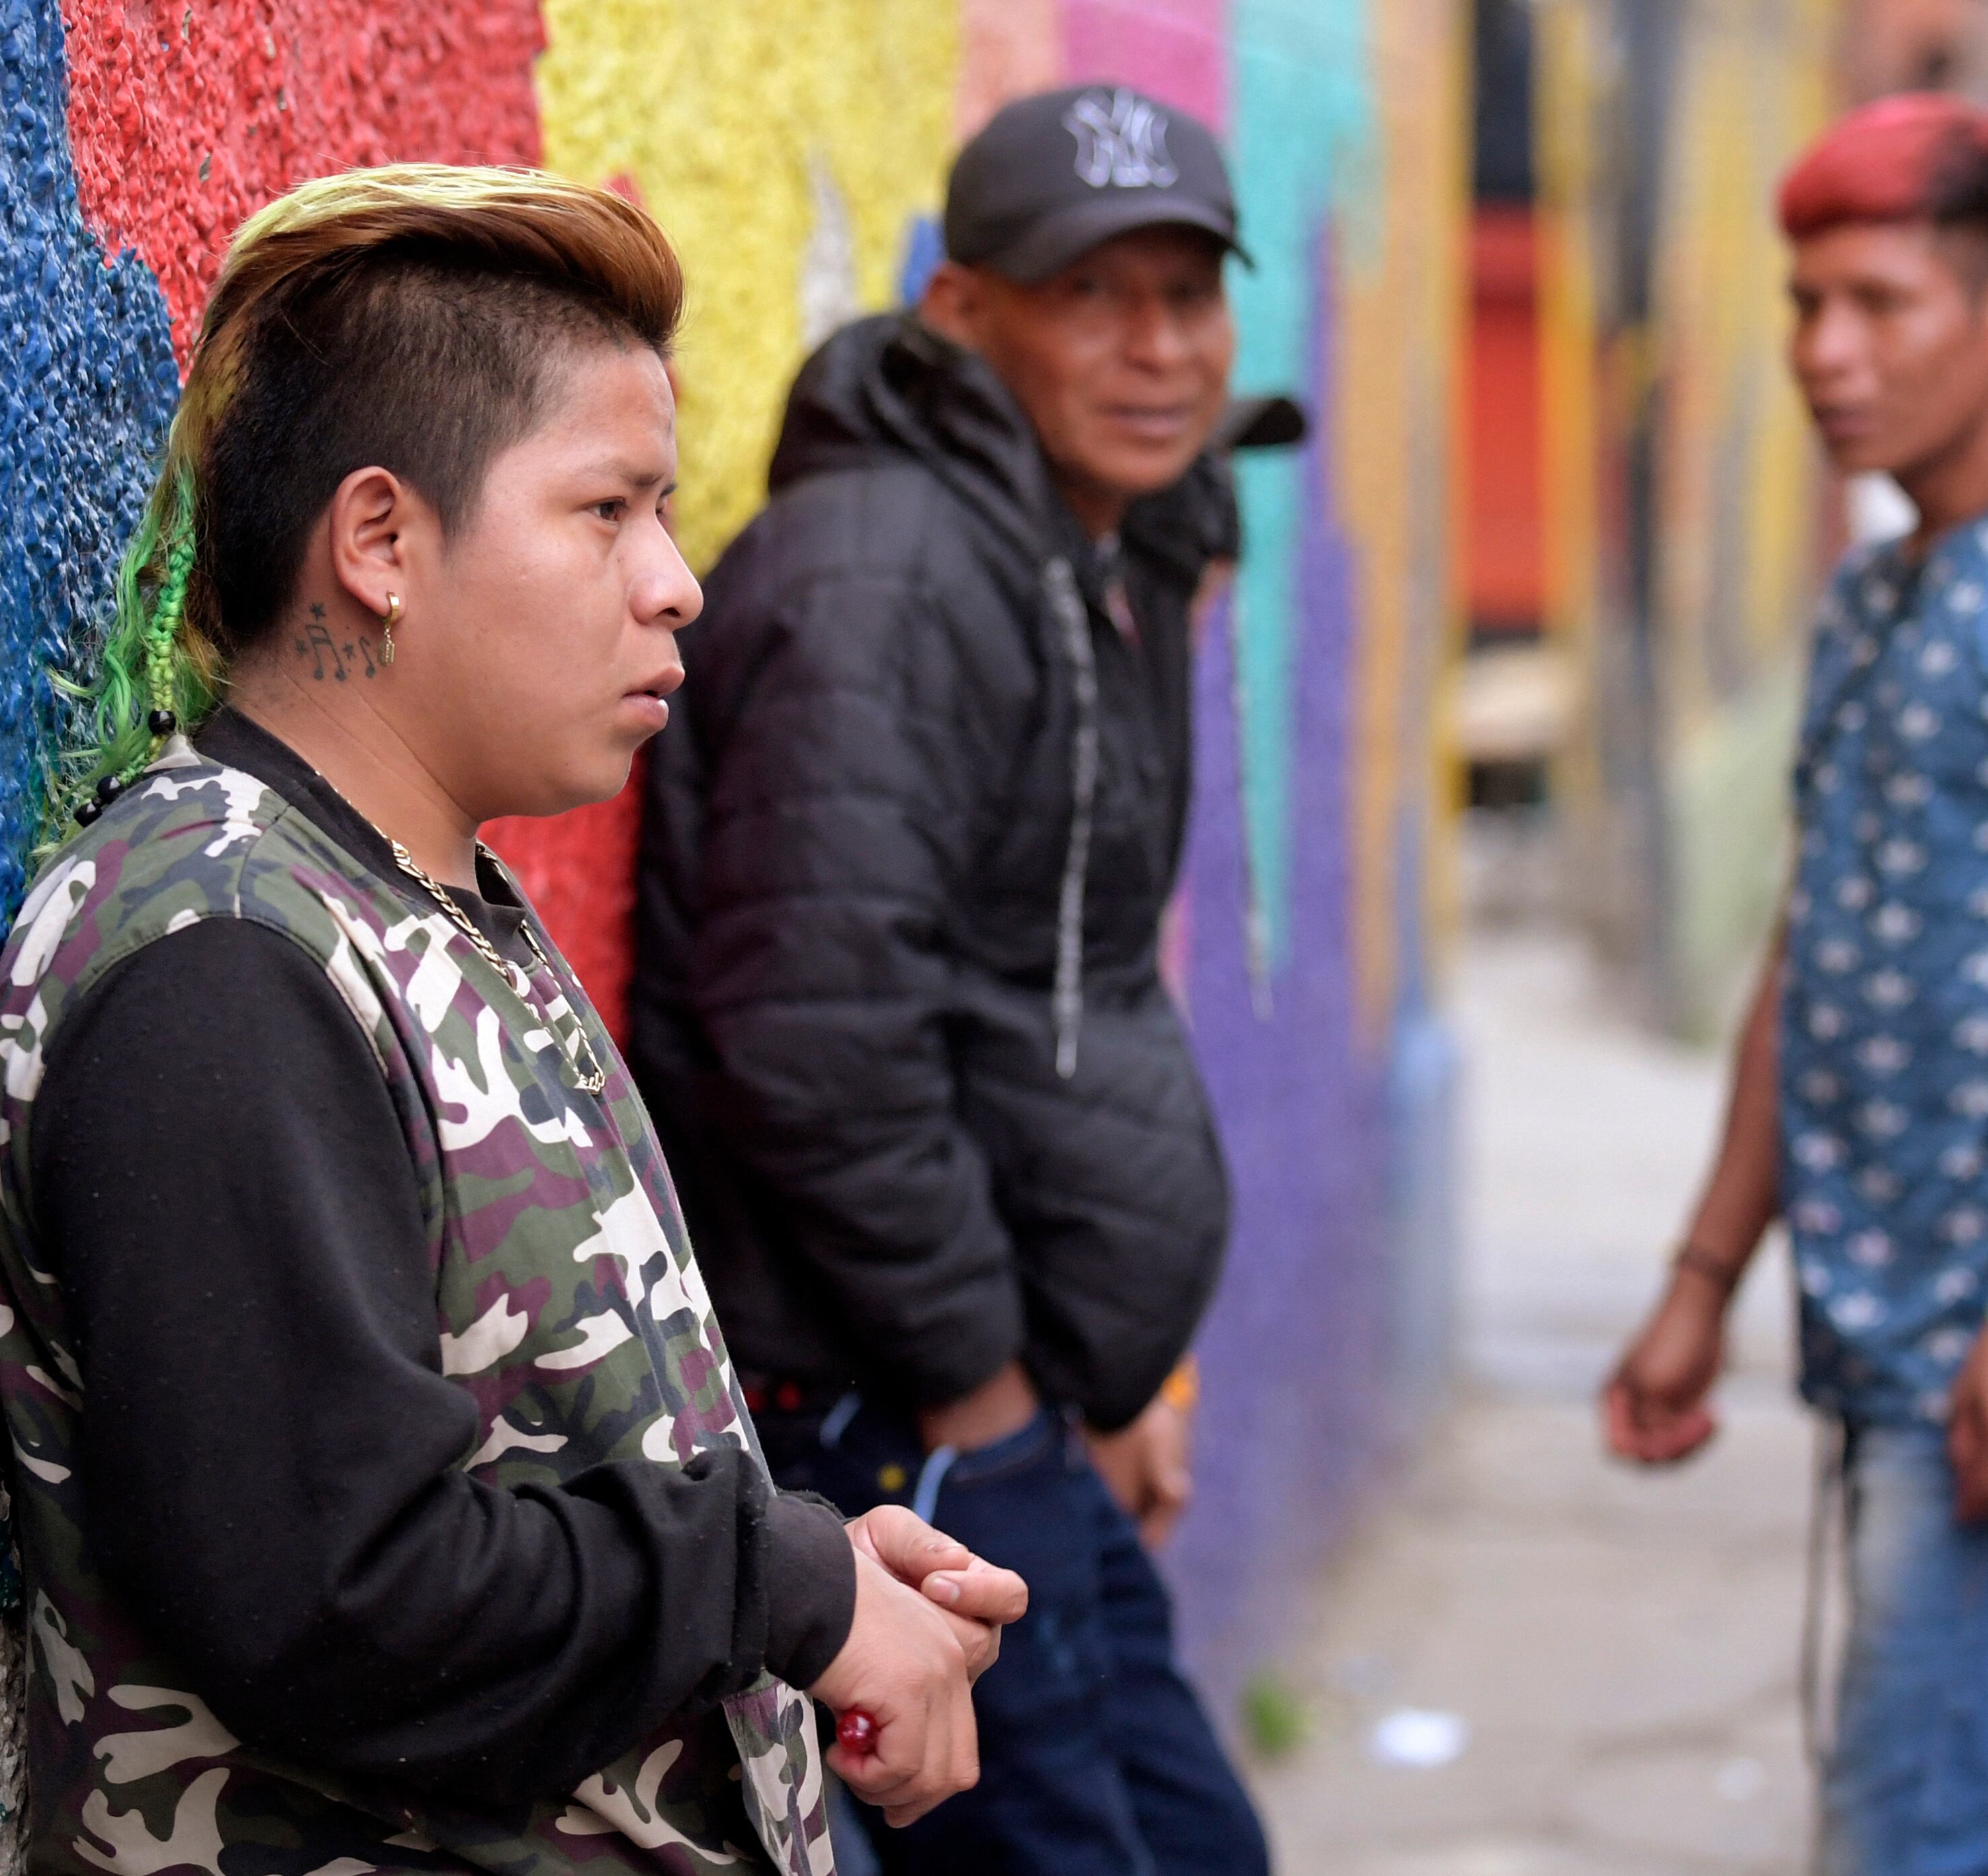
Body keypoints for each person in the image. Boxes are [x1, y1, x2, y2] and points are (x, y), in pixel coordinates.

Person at [0, 167, 1028, 1876]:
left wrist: (809, 1574)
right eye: (608, 511)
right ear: (383, 542)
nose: (676, 582)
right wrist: (784, 1583)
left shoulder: (410, 891)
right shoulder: (226, 958)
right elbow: (347, 1604)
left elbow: (544, 1458)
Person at [631, 87, 1270, 1872]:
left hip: (1002, 1408)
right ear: (963, 317)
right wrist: (983, 1393)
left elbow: (1047, 998)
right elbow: (814, 1040)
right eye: (1092, 295)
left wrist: (1110, 1381)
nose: (1156, 348)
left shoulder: (1075, 546)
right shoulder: (888, 579)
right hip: (896, 1419)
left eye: (1186, 293)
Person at [1602, 96, 1988, 1872]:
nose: (1822, 352)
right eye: (1804, 303)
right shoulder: (1879, 590)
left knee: (1912, 1826)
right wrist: (1702, 1273)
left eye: (1877, 303)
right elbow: (1810, 954)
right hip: (1880, 1341)